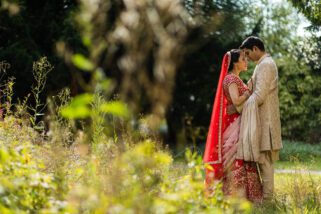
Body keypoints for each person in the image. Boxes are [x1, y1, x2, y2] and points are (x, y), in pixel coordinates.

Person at [203, 49, 263, 203]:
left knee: (243, 157)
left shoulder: (235, 79)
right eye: (243, 59)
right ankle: (235, 196)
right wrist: (249, 92)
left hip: (240, 122)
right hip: (234, 126)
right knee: (237, 158)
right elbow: (236, 101)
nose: (246, 61)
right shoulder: (231, 79)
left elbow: (234, 104)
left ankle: (246, 196)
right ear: (235, 62)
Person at [238, 36, 283, 201]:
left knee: (265, 162)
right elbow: (249, 88)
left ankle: (268, 201)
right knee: (262, 161)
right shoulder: (261, 65)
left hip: (266, 122)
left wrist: (238, 109)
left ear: (256, 49)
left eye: (248, 53)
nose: (247, 57)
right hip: (262, 120)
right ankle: (265, 199)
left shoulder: (266, 65)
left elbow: (259, 95)